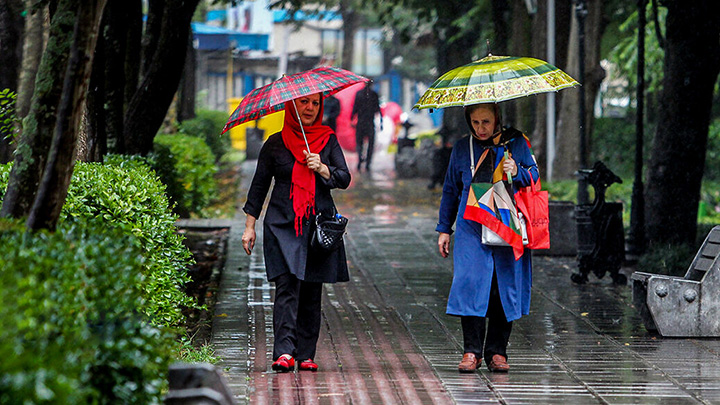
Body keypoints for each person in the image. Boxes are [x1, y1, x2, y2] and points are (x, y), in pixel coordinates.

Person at [241, 93, 351, 373]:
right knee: (287, 286)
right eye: (304, 103)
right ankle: (284, 353)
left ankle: (306, 354)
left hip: (317, 226)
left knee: (312, 289)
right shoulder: (275, 143)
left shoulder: (328, 139)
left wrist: (323, 168)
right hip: (281, 224)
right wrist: (250, 226)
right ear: (292, 106)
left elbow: (344, 178)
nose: (310, 108)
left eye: (315, 103)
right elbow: (259, 186)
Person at [436, 103, 538, 373]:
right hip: (470, 225)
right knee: (470, 282)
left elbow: (534, 175)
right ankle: (471, 351)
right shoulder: (462, 148)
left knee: (502, 286)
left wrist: (517, 171)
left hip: (507, 224)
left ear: (497, 119)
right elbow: (450, 189)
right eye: (475, 122)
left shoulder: (516, 142)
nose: (481, 128)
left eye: (486, 122)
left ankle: (497, 352)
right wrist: (444, 229)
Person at [351, 83, 382, 172]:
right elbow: (377, 109)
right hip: (370, 122)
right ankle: (368, 163)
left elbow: (355, 108)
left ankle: (360, 160)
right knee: (370, 143)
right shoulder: (374, 94)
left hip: (361, 122)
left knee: (359, 143)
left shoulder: (359, 93)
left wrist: (351, 118)